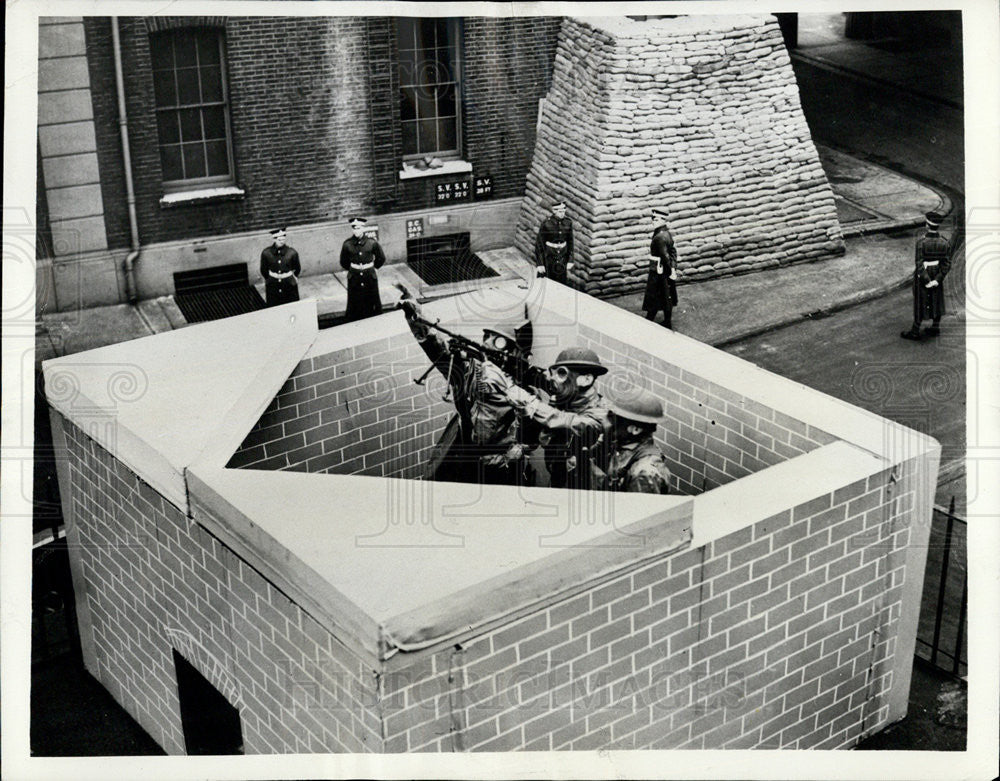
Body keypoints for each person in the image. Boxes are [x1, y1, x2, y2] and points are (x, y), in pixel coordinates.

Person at [398, 290, 534, 486]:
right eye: (487, 339)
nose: (488, 348)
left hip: (499, 465)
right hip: (464, 451)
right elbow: (439, 351)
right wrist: (416, 318)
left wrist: (520, 449)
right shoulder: (470, 373)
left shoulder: (522, 389)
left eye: (498, 343)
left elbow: (535, 428)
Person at [504, 347, 611, 490]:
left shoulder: (601, 415)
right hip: (558, 475)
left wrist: (531, 404)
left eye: (562, 373)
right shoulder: (568, 396)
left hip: (583, 488)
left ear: (586, 379)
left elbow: (570, 422)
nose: (553, 378)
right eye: (553, 372)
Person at [603, 389, 674, 494]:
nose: (606, 422)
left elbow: (638, 508)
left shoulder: (645, 472)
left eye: (613, 419)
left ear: (636, 429)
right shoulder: (623, 445)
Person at [901, 211, 952, 340]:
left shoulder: (921, 243)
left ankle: (915, 331)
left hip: (924, 274)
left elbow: (919, 264)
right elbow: (946, 264)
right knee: (937, 300)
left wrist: (927, 280)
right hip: (937, 273)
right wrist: (937, 279)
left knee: (920, 301)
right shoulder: (944, 243)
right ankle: (935, 327)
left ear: (927, 225)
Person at [340, 216, 386, 322]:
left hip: (369, 276)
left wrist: (373, 268)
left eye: (359, 228)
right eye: (354, 228)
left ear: (363, 228)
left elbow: (381, 258)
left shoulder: (371, 243)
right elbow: (343, 262)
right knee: (355, 303)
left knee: (372, 302)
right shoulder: (347, 244)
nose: (356, 231)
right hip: (354, 277)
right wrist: (354, 269)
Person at [643, 208, 678, 328]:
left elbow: (665, 256)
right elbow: (673, 252)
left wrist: (669, 269)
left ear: (663, 221)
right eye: (653, 219)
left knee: (654, 294)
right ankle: (667, 321)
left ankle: (649, 320)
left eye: (656, 219)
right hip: (665, 270)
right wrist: (673, 269)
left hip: (659, 270)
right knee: (666, 295)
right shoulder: (666, 233)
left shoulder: (659, 237)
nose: (653, 222)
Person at [533, 200, 574, 285]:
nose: (562, 213)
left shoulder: (568, 222)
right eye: (560, 211)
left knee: (561, 281)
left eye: (564, 211)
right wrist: (540, 264)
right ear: (554, 211)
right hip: (549, 256)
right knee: (546, 281)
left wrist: (570, 260)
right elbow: (539, 244)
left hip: (562, 256)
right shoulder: (546, 223)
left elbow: (570, 242)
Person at [259, 227, 301, 307]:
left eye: (283, 239)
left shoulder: (292, 252)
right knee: (274, 306)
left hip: (288, 284)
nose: (282, 242)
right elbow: (263, 270)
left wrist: (290, 278)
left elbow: (297, 269)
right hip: (273, 284)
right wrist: (270, 278)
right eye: (279, 240)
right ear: (274, 239)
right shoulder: (266, 253)